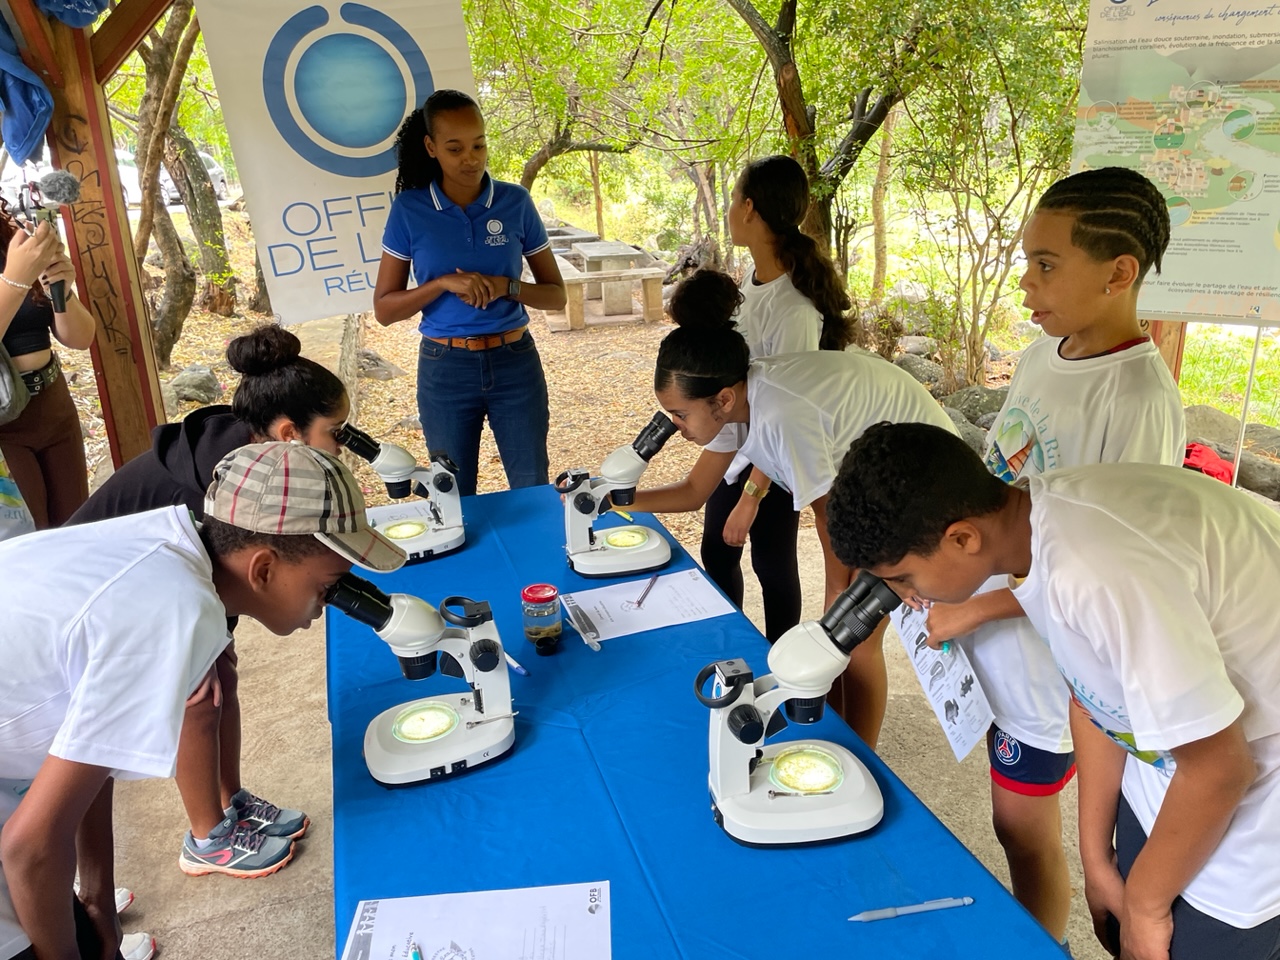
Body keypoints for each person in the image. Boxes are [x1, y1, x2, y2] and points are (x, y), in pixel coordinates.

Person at [828, 422, 1280, 960]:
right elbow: (1091, 702)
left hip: (1250, 807)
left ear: (962, 538)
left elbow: (1219, 770)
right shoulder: (1032, 529)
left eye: (903, 578)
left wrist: (1147, 906)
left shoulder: (1095, 569)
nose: (905, 598)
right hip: (1173, 768)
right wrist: (1097, 860)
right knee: (1127, 921)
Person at [890, 167, 1185, 942]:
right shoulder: (1039, 356)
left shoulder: (1140, 401)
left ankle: (1041, 945)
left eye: (1046, 264)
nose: (1026, 283)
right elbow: (1001, 486)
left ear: (1120, 273)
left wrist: (971, 607)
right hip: (989, 634)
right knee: (1008, 821)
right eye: (1028, 261)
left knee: (1024, 834)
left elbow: (1108, 573)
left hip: (1053, 672)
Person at [0, 441, 404, 960]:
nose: (326, 607)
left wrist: (96, 897)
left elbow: (86, 745)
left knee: (74, 928)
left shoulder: (168, 540)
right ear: (262, 569)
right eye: (327, 587)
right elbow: (29, 847)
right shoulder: (171, 614)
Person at [67, 324, 350, 878]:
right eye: (334, 433)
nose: (341, 448)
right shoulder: (223, 489)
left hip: (164, 577)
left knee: (225, 670)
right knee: (199, 696)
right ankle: (206, 836)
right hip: (104, 596)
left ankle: (230, 801)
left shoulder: (250, 456)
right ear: (289, 433)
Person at [630, 268, 957, 747]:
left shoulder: (779, 412)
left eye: (680, 414)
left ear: (720, 399)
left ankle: (858, 754)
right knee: (840, 633)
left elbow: (829, 517)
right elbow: (694, 491)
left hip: (925, 482)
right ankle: (838, 729)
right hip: (876, 481)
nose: (677, 426)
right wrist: (617, 499)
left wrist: (834, 598)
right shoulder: (734, 400)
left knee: (855, 638)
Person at [373, 89, 567, 497]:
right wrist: (441, 283)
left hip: (515, 363)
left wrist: (507, 287)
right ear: (430, 147)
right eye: (455, 148)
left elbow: (555, 296)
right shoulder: (410, 210)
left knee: (532, 489)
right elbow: (385, 310)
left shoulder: (516, 202)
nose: (471, 158)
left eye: (479, 145)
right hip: (445, 368)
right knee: (453, 496)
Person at [698, 155, 853, 641]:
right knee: (718, 552)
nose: (727, 210)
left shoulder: (795, 308)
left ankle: (784, 662)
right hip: (744, 445)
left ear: (748, 208)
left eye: (731, 200)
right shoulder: (756, 278)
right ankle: (736, 645)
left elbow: (791, 409)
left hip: (775, 457)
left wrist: (752, 495)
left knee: (771, 563)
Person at [0, 210, 97, 527]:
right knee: (30, 543)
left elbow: (81, 337)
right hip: (5, 424)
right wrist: (16, 279)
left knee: (74, 527)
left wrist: (63, 289)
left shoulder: (11, 232)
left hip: (54, 405)